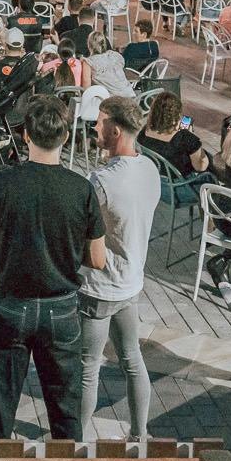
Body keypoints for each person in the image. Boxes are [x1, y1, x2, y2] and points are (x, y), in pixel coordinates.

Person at [0, 95, 107, 452]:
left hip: (11, 304)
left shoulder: (1, 183)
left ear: (26, 137)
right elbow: (98, 259)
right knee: (65, 412)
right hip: (61, 308)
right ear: (64, 138)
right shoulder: (82, 189)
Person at [78, 96, 159, 442]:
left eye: (99, 122)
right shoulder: (149, 168)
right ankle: (140, 434)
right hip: (130, 283)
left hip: (99, 286)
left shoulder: (102, 181)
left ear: (115, 129)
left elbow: (82, 233)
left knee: (86, 370)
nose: (95, 127)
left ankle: (78, 440)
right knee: (132, 359)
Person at [137, 91, 208, 177]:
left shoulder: (145, 131)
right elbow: (200, 167)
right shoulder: (186, 138)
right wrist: (195, 143)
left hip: (153, 178)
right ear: (177, 114)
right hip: (179, 185)